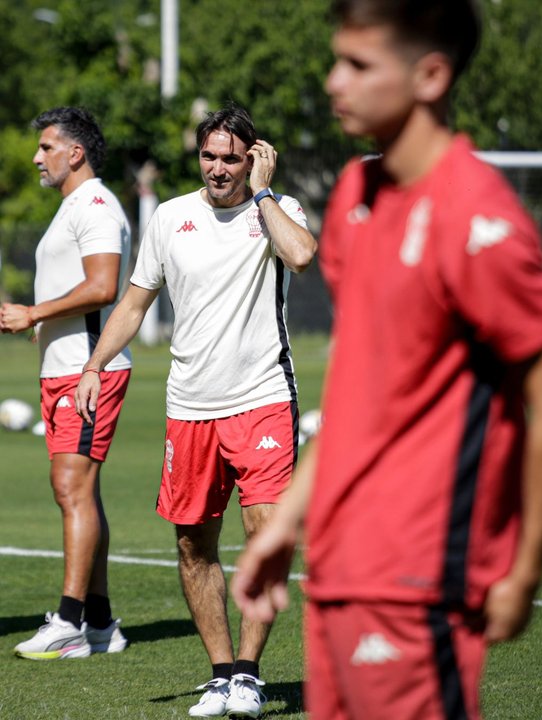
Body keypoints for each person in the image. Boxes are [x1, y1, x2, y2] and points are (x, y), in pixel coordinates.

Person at [231, 2, 542, 719]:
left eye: (359, 64)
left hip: (421, 576)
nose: (334, 81)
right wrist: (287, 523)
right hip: (338, 567)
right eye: (338, 59)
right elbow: (360, 396)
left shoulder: (478, 218)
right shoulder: (355, 196)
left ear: (431, 76)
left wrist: (524, 570)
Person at [74, 102, 316, 717]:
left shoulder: (279, 209)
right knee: (192, 546)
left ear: (253, 158)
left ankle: (250, 675)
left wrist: (263, 193)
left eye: (231, 158)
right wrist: (95, 365)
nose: (217, 168)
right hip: (189, 407)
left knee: (265, 538)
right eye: (209, 156)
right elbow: (134, 302)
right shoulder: (170, 217)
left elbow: (301, 256)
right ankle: (220, 674)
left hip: (263, 398)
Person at [0, 107, 131, 659]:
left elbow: (103, 286)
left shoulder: (96, 205)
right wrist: (40, 320)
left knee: (71, 489)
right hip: (63, 369)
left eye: (47, 147)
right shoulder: (72, 206)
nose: (37, 157)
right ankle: (99, 625)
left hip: (88, 372)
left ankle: (69, 622)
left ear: (75, 153)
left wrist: (34, 313)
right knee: (82, 492)